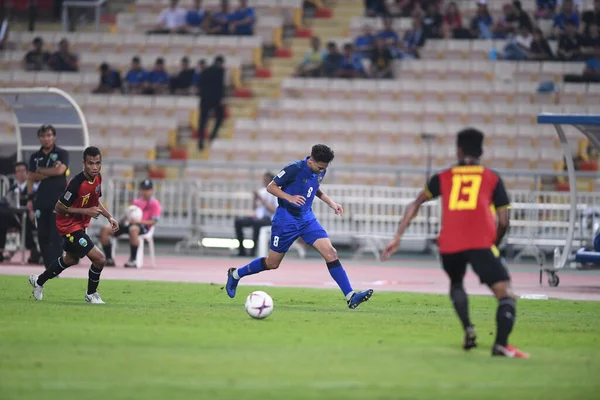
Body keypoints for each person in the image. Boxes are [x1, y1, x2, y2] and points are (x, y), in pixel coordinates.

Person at [381, 128, 529, 359]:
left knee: (457, 283)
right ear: (481, 151)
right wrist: (495, 244)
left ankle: (468, 329)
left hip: (449, 244)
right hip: (481, 243)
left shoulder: (442, 177)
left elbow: (415, 203)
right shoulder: (492, 177)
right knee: (505, 293)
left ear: (458, 150)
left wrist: (397, 236)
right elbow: (503, 220)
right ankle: (500, 345)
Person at [225, 144, 374, 309]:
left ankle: (351, 296)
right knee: (272, 263)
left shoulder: (320, 169)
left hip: (307, 219)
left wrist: (331, 203)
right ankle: (236, 274)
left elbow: (315, 188)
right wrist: (289, 197)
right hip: (285, 220)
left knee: (331, 253)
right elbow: (271, 187)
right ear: (310, 160)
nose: (321, 171)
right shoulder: (294, 168)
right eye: (319, 167)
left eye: (324, 168)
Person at [28, 146, 119, 304]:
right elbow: (59, 207)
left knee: (71, 259)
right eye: (91, 163)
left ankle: (39, 281)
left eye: (98, 163)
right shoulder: (76, 183)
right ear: (83, 163)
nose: (95, 167)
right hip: (68, 226)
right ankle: (91, 294)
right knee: (99, 259)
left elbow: (95, 201)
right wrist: (86, 211)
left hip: (80, 224)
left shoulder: (98, 178)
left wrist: (109, 217)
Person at [27, 124, 70, 270]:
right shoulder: (35, 157)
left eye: (49, 135)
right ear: (39, 138)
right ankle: (48, 267)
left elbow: (60, 170)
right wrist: (50, 171)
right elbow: (31, 176)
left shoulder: (62, 153)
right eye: (43, 136)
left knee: (56, 235)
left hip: (58, 201)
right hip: (41, 200)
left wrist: (41, 172)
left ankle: (56, 268)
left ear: (54, 137)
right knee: (42, 235)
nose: (46, 139)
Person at [99, 179, 162, 268]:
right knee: (105, 229)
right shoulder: (136, 202)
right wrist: (124, 219)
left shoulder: (155, 204)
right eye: (143, 189)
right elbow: (129, 215)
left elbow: (154, 221)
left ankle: (133, 259)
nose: (145, 192)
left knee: (133, 229)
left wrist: (139, 222)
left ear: (152, 190)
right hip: (129, 224)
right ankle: (109, 258)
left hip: (143, 227)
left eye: (147, 189)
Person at [0, 162, 41, 263]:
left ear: (27, 173)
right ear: (15, 174)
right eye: (18, 171)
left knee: (26, 222)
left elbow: (37, 202)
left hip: (29, 217)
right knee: (2, 219)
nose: (21, 173)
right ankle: (0, 250)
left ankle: (33, 250)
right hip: (13, 216)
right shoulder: (13, 188)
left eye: (23, 171)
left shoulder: (33, 188)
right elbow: (5, 201)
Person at [234, 172, 278, 257]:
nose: (264, 182)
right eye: (264, 180)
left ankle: (253, 252)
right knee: (238, 221)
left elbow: (275, 210)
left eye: (266, 180)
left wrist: (262, 201)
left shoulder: (276, 193)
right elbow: (255, 208)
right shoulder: (261, 191)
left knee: (257, 224)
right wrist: (255, 199)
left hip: (269, 219)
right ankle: (241, 251)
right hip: (258, 217)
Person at [197, 55, 226, 150]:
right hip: (216, 99)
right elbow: (220, 85)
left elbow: (200, 85)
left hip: (204, 99)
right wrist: (221, 98)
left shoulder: (205, 71)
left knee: (203, 121)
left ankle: (200, 141)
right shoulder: (221, 71)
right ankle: (212, 136)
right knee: (220, 117)